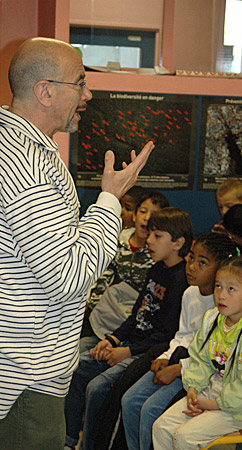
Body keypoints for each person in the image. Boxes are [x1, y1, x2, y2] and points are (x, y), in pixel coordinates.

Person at [0, 37, 153, 450]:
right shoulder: (25, 163)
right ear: (45, 91)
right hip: (25, 379)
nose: (89, 94)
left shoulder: (26, 150)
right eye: (80, 83)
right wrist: (109, 199)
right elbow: (68, 276)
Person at [64, 207, 194, 450]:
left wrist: (127, 350)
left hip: (144, 353)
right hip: (127, 344)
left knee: (97, 387)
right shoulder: (156, 269)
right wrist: (113, 339)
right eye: (150, 234)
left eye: (157, 236)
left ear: (178, 243)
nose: (149, 240)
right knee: (76, 367)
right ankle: (70, 440)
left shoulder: (181, 281)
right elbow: (136, 314)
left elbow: (167, 336)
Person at [152, 256, 242, 450]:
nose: (221, 295)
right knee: (161, 427)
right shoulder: (213, 318)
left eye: (231, 289)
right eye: (218, 286)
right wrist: (193, 388)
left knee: (185, 438)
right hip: (208, 394)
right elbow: (200, 359)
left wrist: (214, 405)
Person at [121, 233, 239, 450]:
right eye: (191, 258)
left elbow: (212, 358)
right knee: (130, 400)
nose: (191, 266)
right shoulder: (190, 293)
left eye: (202, 263)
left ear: (221, 268)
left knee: (150, 410)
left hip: (202, 374)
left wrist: (177, 370)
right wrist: (166, 357)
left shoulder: (224, 306)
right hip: (181, 360)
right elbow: (183, 335)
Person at [81, 190, 169, 342]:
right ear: (134, 216)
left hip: (138, 316)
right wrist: (93, 305)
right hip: (108, 310)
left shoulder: (158, 252)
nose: (147, 218)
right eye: (143, 212)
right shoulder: (118, 240)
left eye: (154, 215)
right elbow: (105, 273)